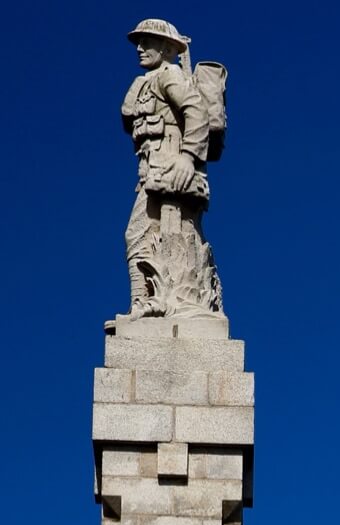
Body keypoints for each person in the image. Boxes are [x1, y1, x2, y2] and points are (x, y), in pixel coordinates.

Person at [117, 19, 220, 321]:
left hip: (172, 166)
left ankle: (153, 303)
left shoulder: (170, 75)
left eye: (147, 42)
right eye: (139, 42)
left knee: (141, 234)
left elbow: (195, 110)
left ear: (166, 47)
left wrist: (188, 157)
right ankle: (146, 302)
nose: (140, 48)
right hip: (152, 170)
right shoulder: (149, 80)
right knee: (146, 235)